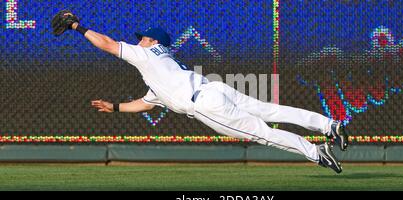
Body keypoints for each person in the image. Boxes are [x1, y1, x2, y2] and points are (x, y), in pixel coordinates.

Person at [54, 11, 348, 173]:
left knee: (263, 133)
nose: (138, 39)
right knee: (270, 110)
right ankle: (328, 124)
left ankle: (316, 152)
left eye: (142, 36)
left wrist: (78, 26)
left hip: (207, 105)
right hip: (213, 89)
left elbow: (106, 43)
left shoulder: (145, 54)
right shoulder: (161, 66)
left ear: (152, 40)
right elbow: (146, 103)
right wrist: (116, 107)